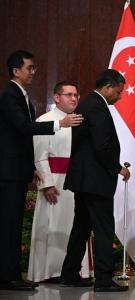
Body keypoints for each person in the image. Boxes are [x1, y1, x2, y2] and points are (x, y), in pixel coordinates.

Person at [0, 50, 83, 291]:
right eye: (29, 68)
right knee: (9, 226)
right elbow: (25, 129)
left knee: (12, 225)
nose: (33, 72)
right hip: (8, 173)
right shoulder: (10, 96)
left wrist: (30, 168)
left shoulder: (21, 95)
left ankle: (10, 274)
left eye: (34, 67)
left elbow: (21, 137)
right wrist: (60, 123)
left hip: (17, 171)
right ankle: (8, 277)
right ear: (16, 71)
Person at [60, 69, 130, 293]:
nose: (119, 97)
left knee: (81, 227)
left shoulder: (88, 104)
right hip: (96, 179)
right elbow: (101, 146)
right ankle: (104, 280)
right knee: (103, 228)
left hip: (84, 179)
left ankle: (70, 274)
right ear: (107, 87)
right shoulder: (97, 107)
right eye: (118, 92)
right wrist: (118, 168)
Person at [27, 81, 92, 283]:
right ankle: (49, 271)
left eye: (76, 95)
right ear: (56, 97)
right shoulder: (44, 120)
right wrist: (46, 183)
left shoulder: (81, 121)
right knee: (52, 224)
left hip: (76, 182)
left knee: (75, 225)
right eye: (68, 95)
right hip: (54, 182)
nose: (74, 98)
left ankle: (74, 271)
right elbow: (39, 155)